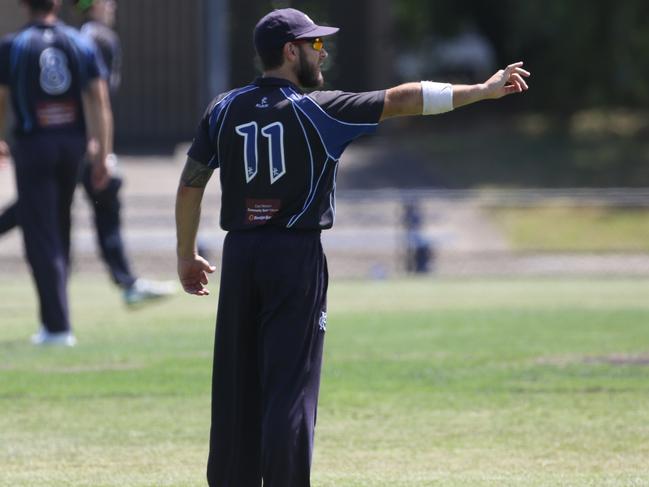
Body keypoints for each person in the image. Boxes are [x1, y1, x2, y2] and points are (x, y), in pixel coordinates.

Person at [175, 8, 530, 486]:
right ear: (290, 51)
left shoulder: (222, 109)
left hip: (239, 256)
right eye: (314, 44)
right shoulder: (318, 109)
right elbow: (403, 99)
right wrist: (481, 92)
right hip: (293, 260)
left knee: (236, 392)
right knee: (290, 391)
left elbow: (191, 183)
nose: (323, 51)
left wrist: (185, 255)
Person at [0, 0, 176, 306]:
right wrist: (96, 142)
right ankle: (124, 281)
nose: (112, 7)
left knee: (50, 206)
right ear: (91, 5)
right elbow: (88, 93)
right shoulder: (89, 39)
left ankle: (122, 280)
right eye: (105, 2)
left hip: (74, 142)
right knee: (50, 207)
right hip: (77, 143)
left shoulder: (88, 37)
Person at [0, 0, 112, 346]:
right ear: (57, 3)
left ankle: (57, 326)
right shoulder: (79, 42)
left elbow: (1, 99)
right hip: (72, 146)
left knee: (41, 235)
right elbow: (98, 99)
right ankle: (56, 321)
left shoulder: (14, 45)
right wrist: (102, 154)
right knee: (60, 226)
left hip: (35, 146)